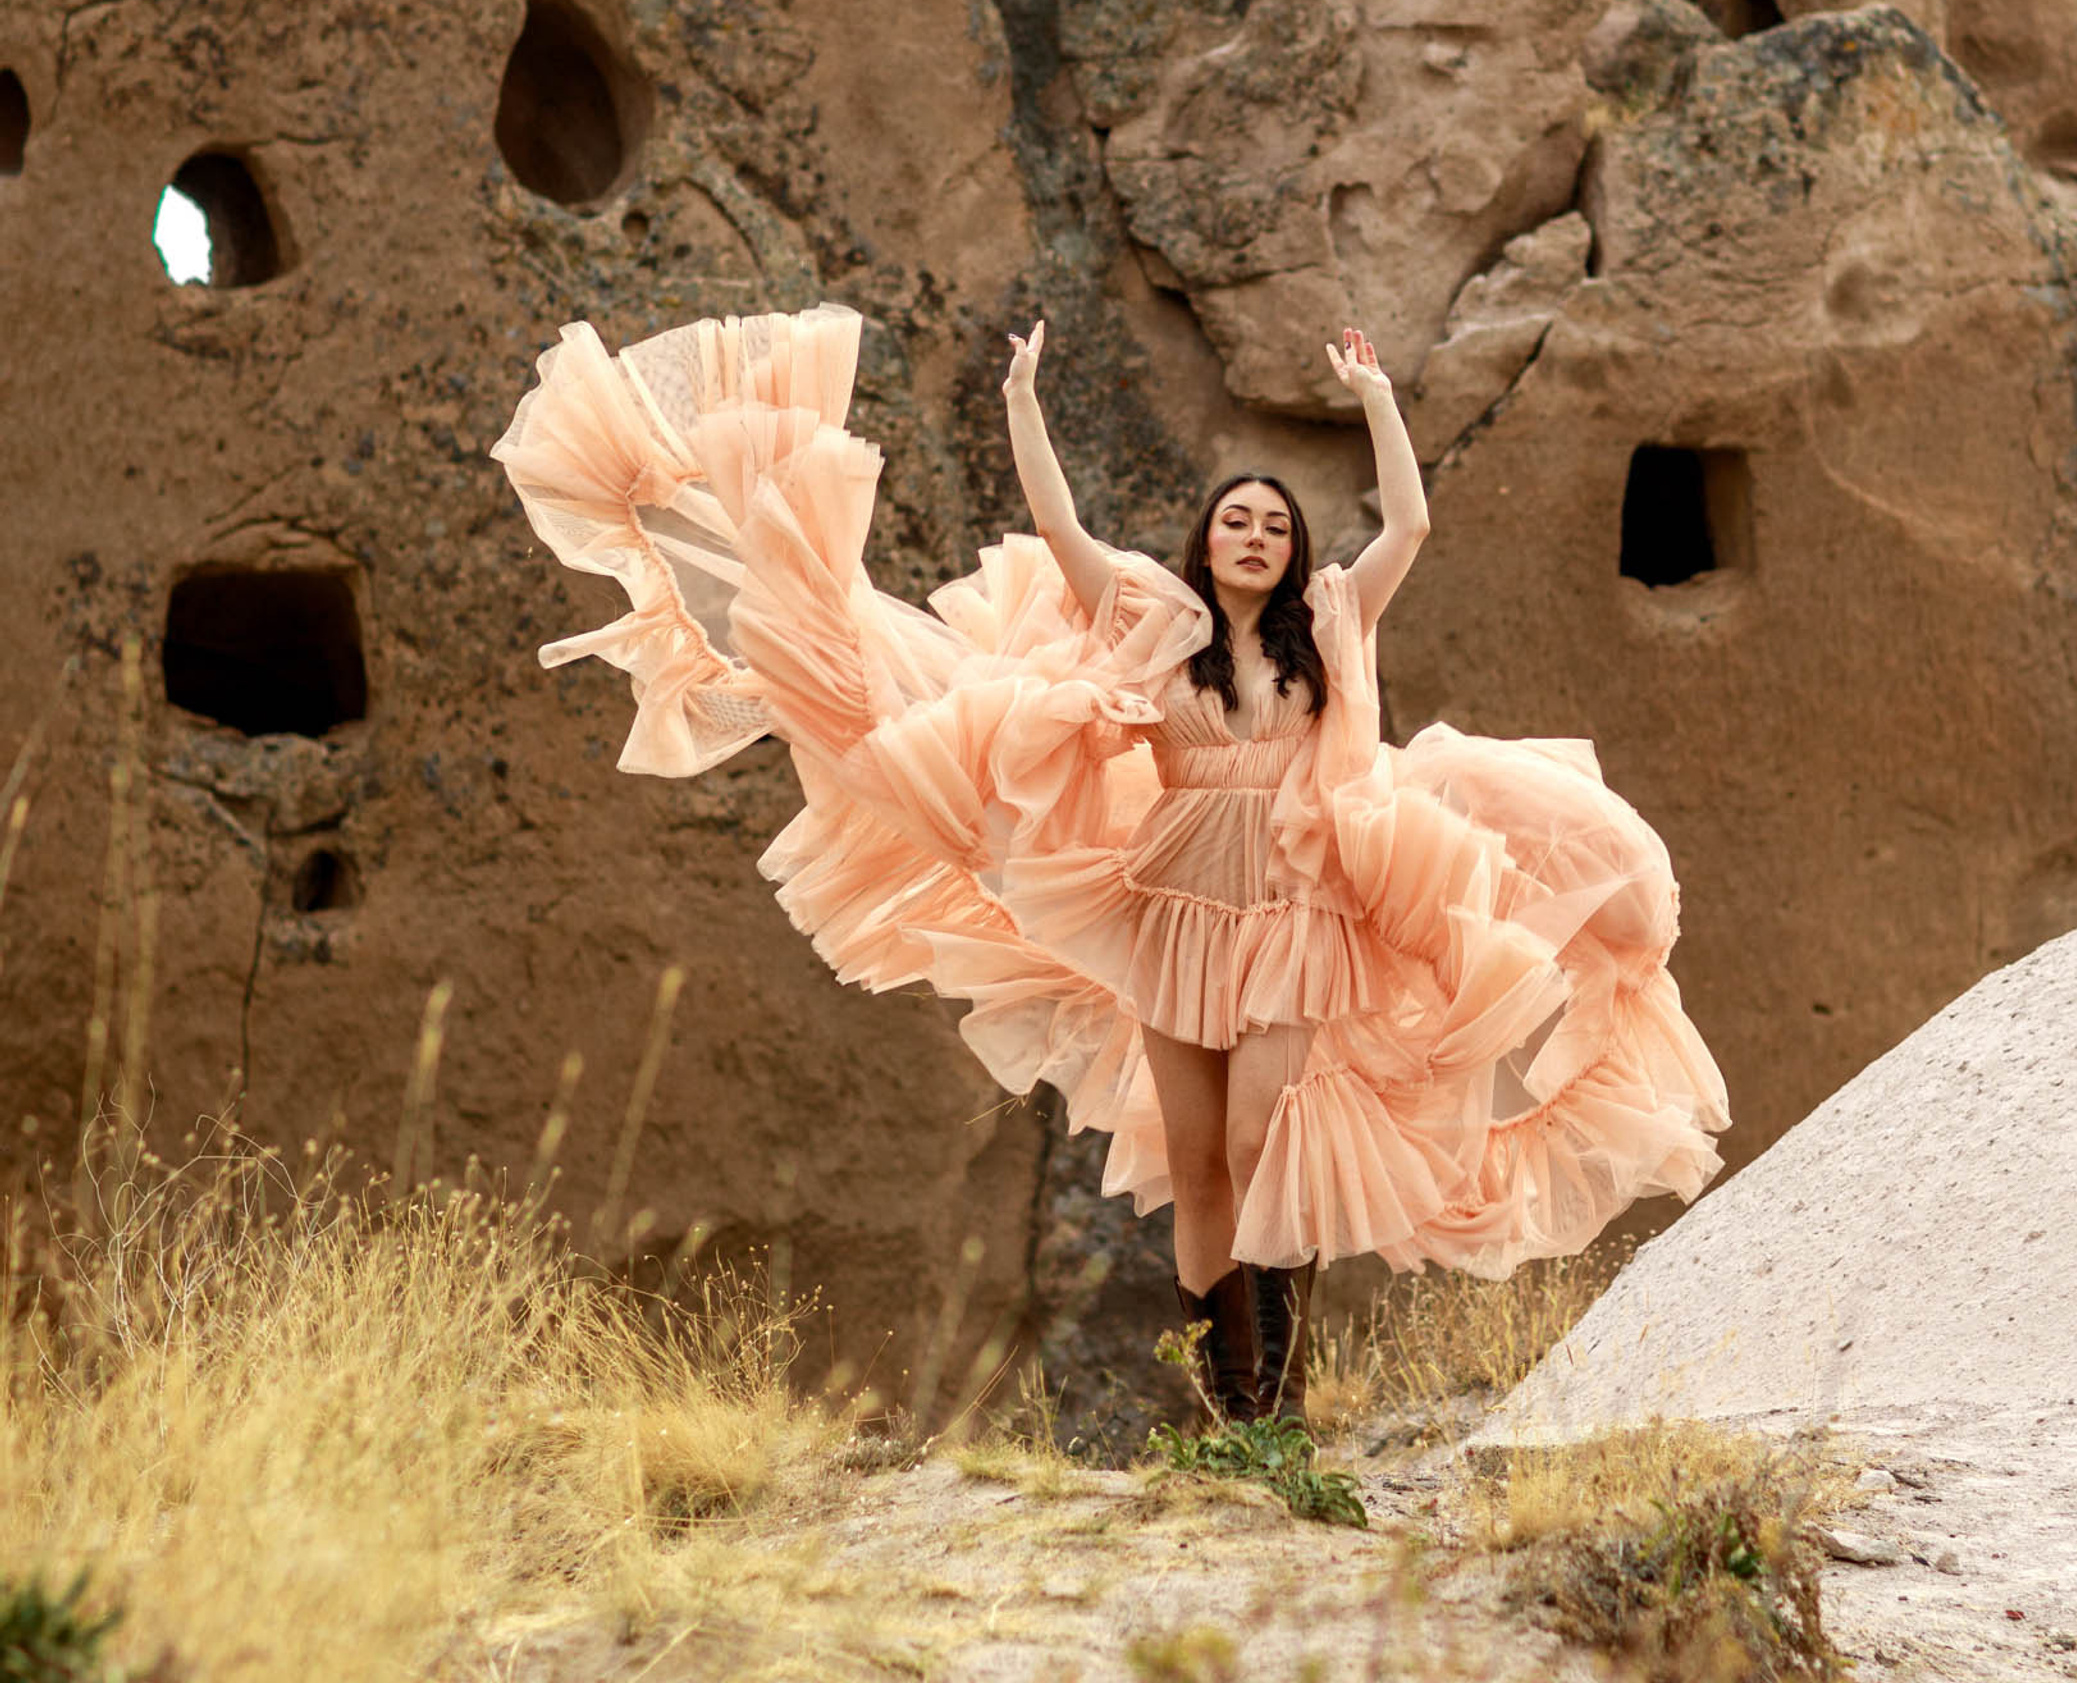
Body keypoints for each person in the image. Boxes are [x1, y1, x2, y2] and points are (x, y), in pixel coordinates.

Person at [492, 302, 1726, 1425]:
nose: (1255, 533)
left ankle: (1285, 1395)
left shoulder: (1333, 624)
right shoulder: (1155, 625)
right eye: (1236, 519)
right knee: (1193, 1164)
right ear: (1207, 540)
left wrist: (1378, 403)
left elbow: (1408, 520)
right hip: (1171, 911)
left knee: (1263, 1145)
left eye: (1274, 525)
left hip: (1292, 916)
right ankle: (1235, 1410)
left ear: (1293, 555)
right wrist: (1025, 403)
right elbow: (1061, 529)